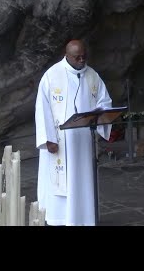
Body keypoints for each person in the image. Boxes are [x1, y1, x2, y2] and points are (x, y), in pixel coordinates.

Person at [35, 39, 113, 226]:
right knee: (59, 185)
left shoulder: (92, 76)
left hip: (82, 144)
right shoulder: (52, 76)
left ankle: (83, 220)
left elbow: (105, 101)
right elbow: (42, 108)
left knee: (81, 183)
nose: (81, 60)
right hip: (59, 144)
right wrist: (48, 140)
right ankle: (58, 220)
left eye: (84, 56)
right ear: (67, 55)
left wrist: (101, 116)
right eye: (77, 57)